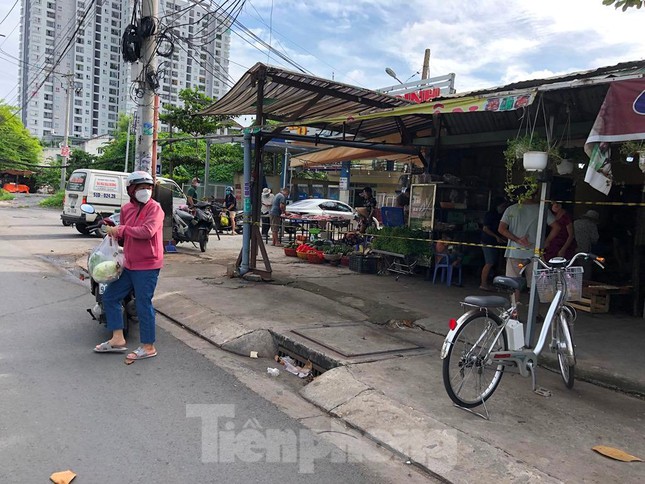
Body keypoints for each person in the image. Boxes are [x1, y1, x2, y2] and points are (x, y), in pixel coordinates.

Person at [94, 171, 164, 360]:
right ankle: (117, 338)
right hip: (130, 263)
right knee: (110, 296)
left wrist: (122, 229)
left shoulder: (155, 208)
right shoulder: (126, 210)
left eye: (149, 188)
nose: (146, 191)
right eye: (141, 187)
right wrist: (113, 229)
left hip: (148, 264)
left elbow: (147, 231)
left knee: (143, 303)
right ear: (131, 190)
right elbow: (125, 236)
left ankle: (149, 346)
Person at [498, 188, 558, 300]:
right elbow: (556, 227)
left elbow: (501, 229)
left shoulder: (511, 209)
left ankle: (514, 312)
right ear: (535, 195)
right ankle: (535, 313)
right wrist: (546, 241)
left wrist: (517, 239)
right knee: (535, 284)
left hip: (514, 252)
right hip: (535, 254)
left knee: (513, 283)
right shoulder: (542, 210)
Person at [480, 197, 508, 290]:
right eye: (502, 206)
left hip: (495, 241)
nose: (503, 208)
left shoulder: (500, 215)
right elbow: (485, 228)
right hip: (487, 241)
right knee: (489, 262)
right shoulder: (490, 214)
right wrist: (496, 237)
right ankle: (483, 284)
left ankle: (489, 282)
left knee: (493, 262)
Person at [574, 209, 600, 280]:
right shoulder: (592, 226)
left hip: (572, 249)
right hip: (584, 251)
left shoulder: (575, 223)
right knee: (585, 271)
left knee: (572, 270)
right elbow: (595, 239)